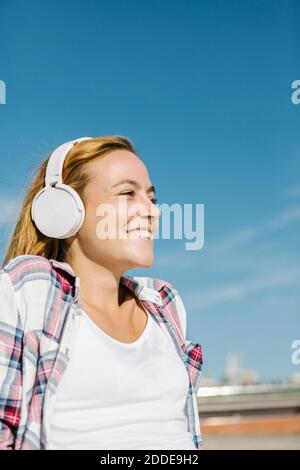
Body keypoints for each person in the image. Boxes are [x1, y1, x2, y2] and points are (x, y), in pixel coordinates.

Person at [0, 135, 203, 450]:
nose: (152, 212)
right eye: (126, 194)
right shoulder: (29, 289)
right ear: (64, 210)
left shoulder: (164, 304)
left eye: (152, 199)